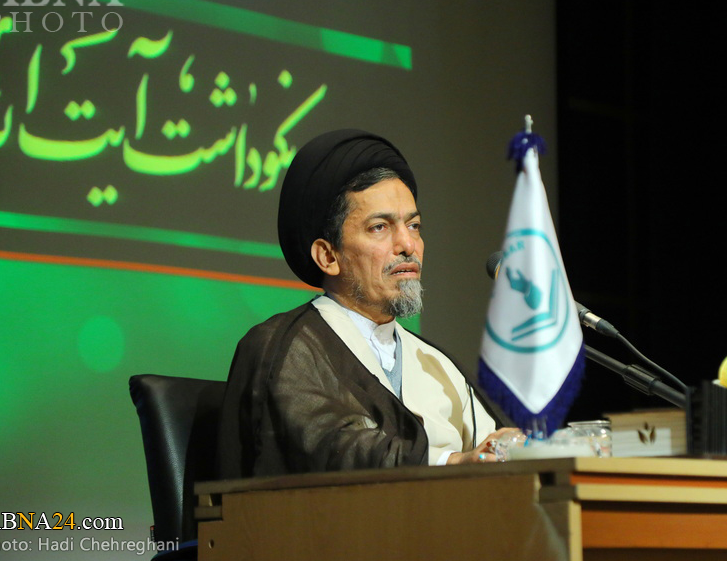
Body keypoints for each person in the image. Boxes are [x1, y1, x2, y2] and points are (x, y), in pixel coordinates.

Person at [218, 129, 510, 478]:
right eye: (379, 227)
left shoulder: (436, 363)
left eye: (414, 225)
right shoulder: (282, 347)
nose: (408, 245)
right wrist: (453, 462)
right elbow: (331, 448)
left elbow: (497, 454)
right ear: (328, 256)